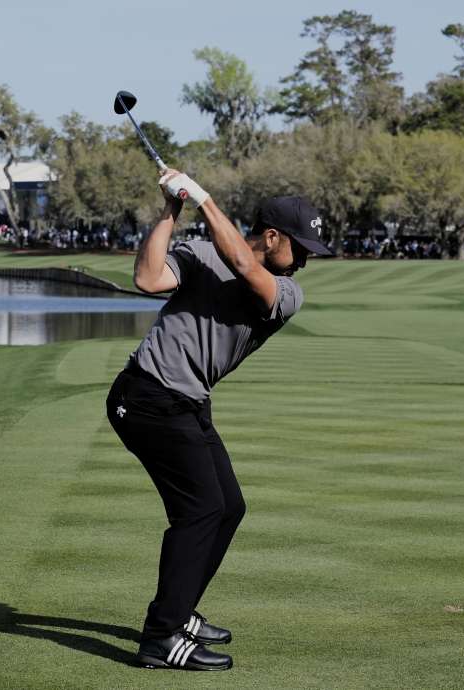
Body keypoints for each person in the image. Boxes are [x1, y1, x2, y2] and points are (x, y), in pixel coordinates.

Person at [106, 169, 331, 671]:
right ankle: (160, 637)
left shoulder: (285, 291)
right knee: (202, 510)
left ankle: (179, 611)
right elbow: (146, 279)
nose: (308, 259)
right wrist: (171, 208)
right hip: (146, 396)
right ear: (272, 237)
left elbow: (240, 263)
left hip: (186, 402)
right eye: (304, 247)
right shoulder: (201, 256)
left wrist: (203, 198)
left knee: (228, 507)